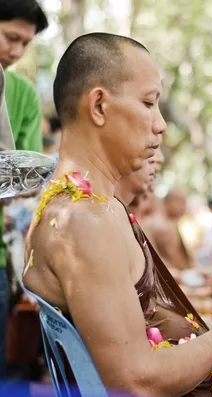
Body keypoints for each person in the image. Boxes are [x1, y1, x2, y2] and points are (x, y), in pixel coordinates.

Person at [23, 32, 212, 397]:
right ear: (99, 106)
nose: (161, 124)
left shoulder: (93, 208)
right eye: (149, 103)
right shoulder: (82, 220)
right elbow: (137, 381)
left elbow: (153, 333)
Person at [0, 0, 47, 378]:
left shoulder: (23, 94)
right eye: (9, 37)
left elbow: (27, 176)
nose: (15, 51)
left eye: (24, 43)